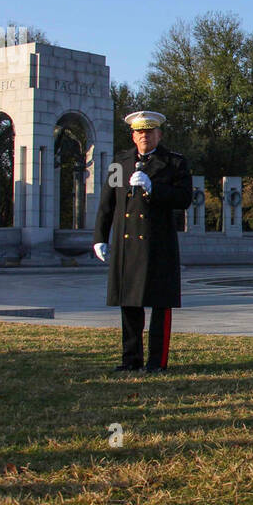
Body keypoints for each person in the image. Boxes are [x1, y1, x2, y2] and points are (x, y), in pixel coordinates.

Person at [93, 111, 193, 374]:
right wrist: (100, 238)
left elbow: (184, 199)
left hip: (158, 245)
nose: (144, 136)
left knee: (160, 305)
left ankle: (157, 362)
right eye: (139, 132)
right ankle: (131, 360)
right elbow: (107, 203)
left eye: (149, 132)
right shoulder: (120, 163)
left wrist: (153, 189)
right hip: (127, 245)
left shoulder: (174, 163)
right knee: (129, 304)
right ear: (133, 135)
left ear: (159, 134)